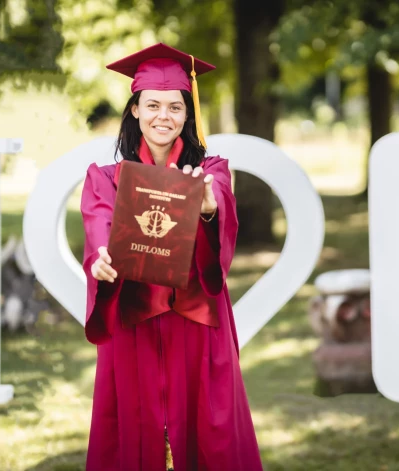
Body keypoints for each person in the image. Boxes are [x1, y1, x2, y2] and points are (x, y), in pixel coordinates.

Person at [80, 43, 263, 471]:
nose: (164, 116)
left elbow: (219, 209)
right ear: (135, 111)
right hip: (135, 318)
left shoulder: (210, 171)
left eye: (176, 107)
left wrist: (206, 206)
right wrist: (100, 260)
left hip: (196, 321)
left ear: (188, 114)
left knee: (212, 435)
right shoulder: (105, 179)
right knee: (128, 435)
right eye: (153, 105)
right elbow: (98, 229)